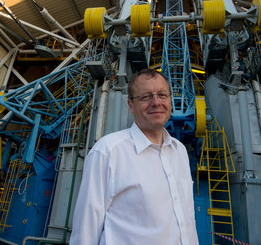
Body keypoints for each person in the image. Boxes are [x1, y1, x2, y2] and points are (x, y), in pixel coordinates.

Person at [70, 68, 199, 245]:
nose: (156, 102)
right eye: (145, 97)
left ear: (170, 100)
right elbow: (86, 231)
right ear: (131, 105)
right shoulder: (108, 152)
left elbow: (187, 223)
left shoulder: (180, 151)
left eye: (162, 95)